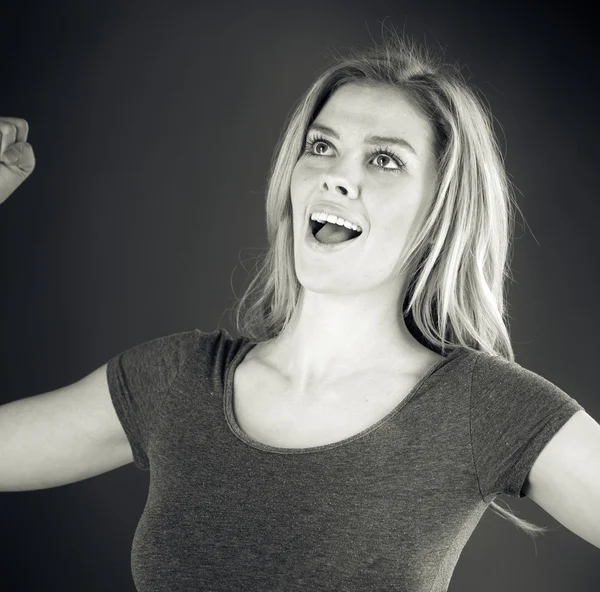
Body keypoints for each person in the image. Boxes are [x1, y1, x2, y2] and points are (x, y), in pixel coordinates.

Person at [0, 33, 599, 592]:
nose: (337, 176)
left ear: (442, 208)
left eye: (384, 160)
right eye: (321, 147)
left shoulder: (484, 408)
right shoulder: (177, 381)